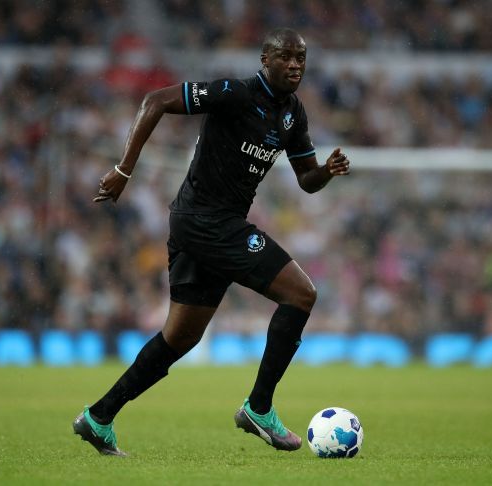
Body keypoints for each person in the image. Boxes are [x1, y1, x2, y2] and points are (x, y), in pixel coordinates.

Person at [73, 28, 351, 456]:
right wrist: (124, 170)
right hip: (205, 221)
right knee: (301, 294)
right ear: (265, 59)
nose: (295, 65)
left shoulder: (292, 114)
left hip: (205, 227)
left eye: (301, 58)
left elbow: (306, 180)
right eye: (285, 57)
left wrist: (327, 171)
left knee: (180, 338)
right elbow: (155, 101)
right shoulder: (234, 94)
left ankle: (99, 417)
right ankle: (259, 408)